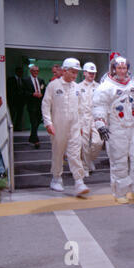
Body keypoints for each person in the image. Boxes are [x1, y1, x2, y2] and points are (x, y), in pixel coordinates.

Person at [92, 55, 134, 204]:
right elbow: (99, 105)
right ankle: (120, 192)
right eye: (119, 68)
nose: (122, 71)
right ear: (113, 69)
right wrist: (100, 123)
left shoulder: (132, 86)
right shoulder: (106, 87)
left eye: (124, 68)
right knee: (119, 162)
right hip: (116, 128)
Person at [41, 58, 89, 197]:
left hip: (74, 126)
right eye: (72, 72)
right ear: (65, 70)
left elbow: (81, 108)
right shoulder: (53, 86)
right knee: (58, 152)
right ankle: (56, 178)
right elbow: (45, 105)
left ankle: (79, 181)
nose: (75, 75)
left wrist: (81, 125)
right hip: (58, 125)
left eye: (76, 73)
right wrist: (48, 123)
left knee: (75, 153)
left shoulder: (77, 88)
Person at [78, 62, 103, 177]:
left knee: (98, 142)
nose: (92, 75)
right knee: (84, 144)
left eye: (93, 73)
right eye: (89, 73)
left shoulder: (99, 87)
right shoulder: (78, 87)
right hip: (83, 118)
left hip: (96, 117)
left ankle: (89, 160)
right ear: (84, 73)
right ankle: (85, 167)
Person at [22, 65, 46, 149]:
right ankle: (36, 140)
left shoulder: (41, 80)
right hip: (31, 104)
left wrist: (41, 94)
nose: (36, 72)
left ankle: (31, 138)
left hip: (40, 104)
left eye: (37, 71)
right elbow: (23, 92)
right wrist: (33, 94)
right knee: (34, 122)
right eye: (34, 71)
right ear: (31, 71)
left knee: (38, 121)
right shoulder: (26, 80)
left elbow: (44, 90)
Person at [6, 67, 25, 131]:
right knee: (12, 114)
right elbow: (8, 90)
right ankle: (10, 127)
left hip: (20, 101)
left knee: (19, 115)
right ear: (16, 72)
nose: (21, 73)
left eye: (21, 72)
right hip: (13, 101)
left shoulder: (22, 80)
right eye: (19, 72)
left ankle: (17, 128)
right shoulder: (11, 80)